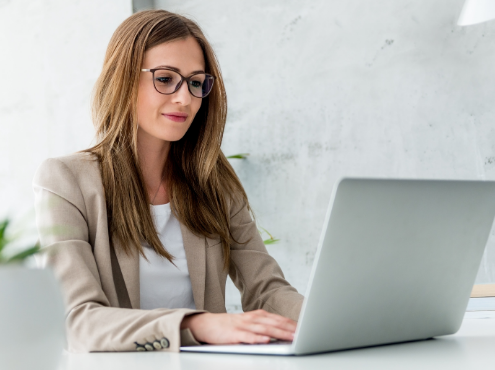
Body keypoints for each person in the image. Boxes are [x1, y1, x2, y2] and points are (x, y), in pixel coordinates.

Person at [32, 9, 304, 353]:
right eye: (165, 78)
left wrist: (325, 317)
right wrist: (195, 324)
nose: (185, 98)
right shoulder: (65, 180)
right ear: (123, 79)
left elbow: (267, 291)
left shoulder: (213, 181)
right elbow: (78, 322)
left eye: (195, 82)